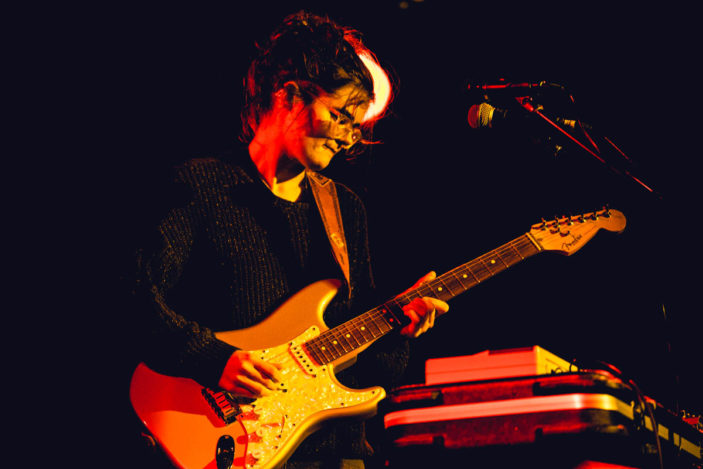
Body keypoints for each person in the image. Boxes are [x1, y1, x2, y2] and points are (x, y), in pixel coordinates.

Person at [131, 10, 448, 469]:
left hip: (336, 455)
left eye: (356, 127)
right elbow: (129, 297)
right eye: (340, 116)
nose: (348, 138)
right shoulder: (200, 186)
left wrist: (398, 331)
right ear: (290, 95)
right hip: (224, 444)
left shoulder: (345, 210)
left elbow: (371, 374)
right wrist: (214, 360)